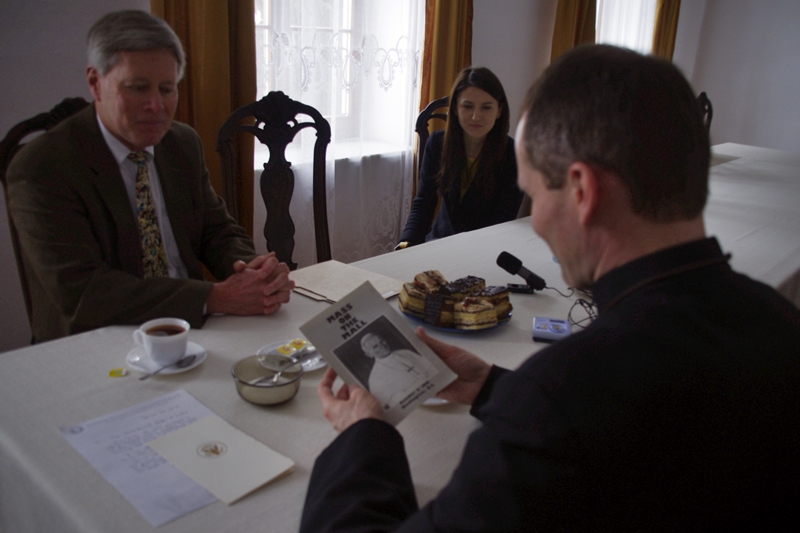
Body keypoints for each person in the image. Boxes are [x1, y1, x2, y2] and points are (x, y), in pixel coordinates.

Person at [300, 44, 800, 531]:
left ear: (582, 192)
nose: (534, 223)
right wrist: (495, 387)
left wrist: (364, 439)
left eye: (535, 195)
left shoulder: (560, 399)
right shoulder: (779, 318)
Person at [6, 10, 294, 343]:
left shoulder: (181, 143)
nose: (156, 106)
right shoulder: (41, 167)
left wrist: (255, 271)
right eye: (138, 88)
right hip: (93, 342)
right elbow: (84, 293)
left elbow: (215, 231)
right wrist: (212, 297)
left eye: (167, 89)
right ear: (95, 82)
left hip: (194, 329)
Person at [397, 67, 523, 247]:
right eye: (467, 106)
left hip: (485, 249)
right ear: (455, 108)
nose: (475, 116)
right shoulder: (437, 144)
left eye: (486, 107)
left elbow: (502, 220)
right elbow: (424, 203)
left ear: (499, 110)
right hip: (438, 243)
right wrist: (406, 243)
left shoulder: (514, 154)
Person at [360, 332, 435, 408]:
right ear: (369, 355)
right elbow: (392, 404)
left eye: (382, 341)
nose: (382, 346)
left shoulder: (406, 353)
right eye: (375, 346)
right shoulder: (374, 378)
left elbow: (431, 368)